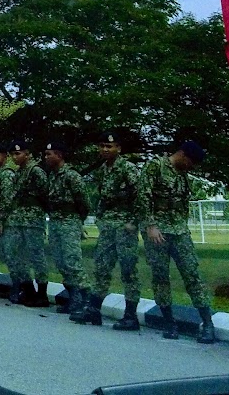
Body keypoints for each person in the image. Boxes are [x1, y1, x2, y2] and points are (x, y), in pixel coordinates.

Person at [139, 139, 216, 343]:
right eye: (191, 162)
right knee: (160, 277)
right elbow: (143, 197)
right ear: (182, 155)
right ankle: (169, 322)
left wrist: (183, 225)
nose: (192, 167)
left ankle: (208, 324)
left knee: (192, 274)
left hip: (179, 231)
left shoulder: (183, 175)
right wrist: (150, 225)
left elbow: (183, 203)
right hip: (157, 232)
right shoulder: (155, 166)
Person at [89, 131, 142, 331]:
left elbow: (141, 196)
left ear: (118, 148)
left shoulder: (128, 168)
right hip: (108, 226)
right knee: (101, 266)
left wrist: (133, 222)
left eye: (109, 146)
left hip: (125, 227)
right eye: (102, 146)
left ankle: (131, 316)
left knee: (128, 270)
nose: (105, 149)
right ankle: (93, 309)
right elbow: (101, 198)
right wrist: (100, 218)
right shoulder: (102, 170)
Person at [42, 141, 98, 323]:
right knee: (60, 261)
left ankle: (86, 300)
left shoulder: (72, 175)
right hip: (55, 222)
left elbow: (84, 201)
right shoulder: (52, 176)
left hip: (69, 222)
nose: (46, 157)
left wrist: (76, 220)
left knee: (72, 261)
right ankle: (73, 298)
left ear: (59, 155)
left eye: (49, 154)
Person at [2, 140, 50, 307]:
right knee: (15, 254)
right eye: (12, 155)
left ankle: (42, 294)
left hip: (33, 220)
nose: (15, 157)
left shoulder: (36, 171)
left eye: (18, 153)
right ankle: (28, 290)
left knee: (36, 256)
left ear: (27, 154)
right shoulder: (19, 172)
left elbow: (46, 194)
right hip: (18, 220)